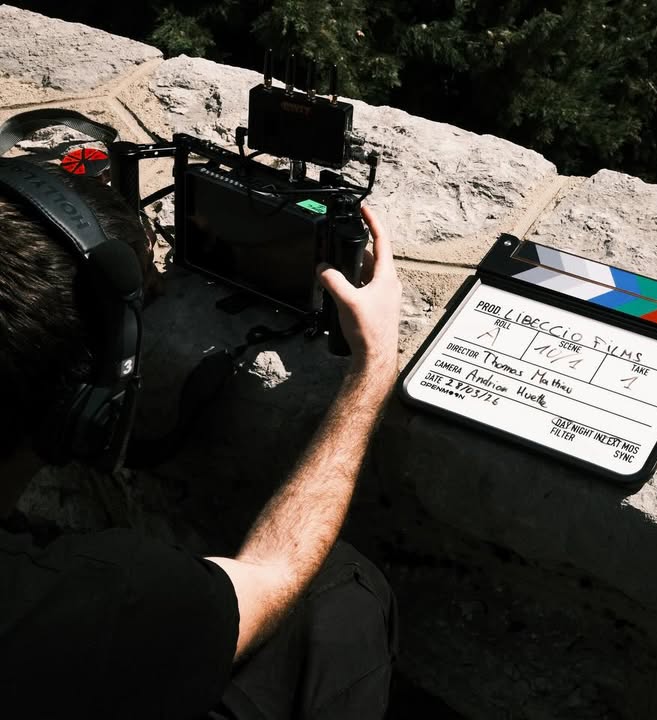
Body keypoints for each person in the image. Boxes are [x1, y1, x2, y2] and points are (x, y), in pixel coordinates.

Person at [0, 165, 402, 719]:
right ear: (86, 408)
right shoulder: (87, 597)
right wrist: (374, 367)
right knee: (343, 590)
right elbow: (274, 575)